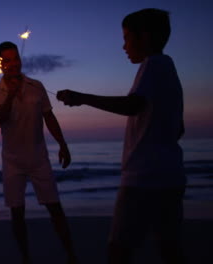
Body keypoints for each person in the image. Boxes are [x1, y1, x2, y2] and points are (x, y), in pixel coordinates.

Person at [57, 8, 185, 264]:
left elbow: (132, 105)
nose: (124, 45)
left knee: (118, 251)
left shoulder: (153, 64)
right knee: (169, 249)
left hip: (144, 178)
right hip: (170, 176)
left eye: (127, 37)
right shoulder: (167, 66)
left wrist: (82, 98)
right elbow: (177, 127)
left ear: (145, 37)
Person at [0, 41, 78, 264]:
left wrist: (62, 144)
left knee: (54, 207)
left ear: (20, 59)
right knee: (17, 213)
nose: (12, 63)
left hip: (39, 157)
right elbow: (0, 116)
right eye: (6, 60)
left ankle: (71, 256)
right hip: (12, 161)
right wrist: (11, 95)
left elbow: (48, 116)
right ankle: (25, 258)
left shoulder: (37, 86)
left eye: (15, 58)